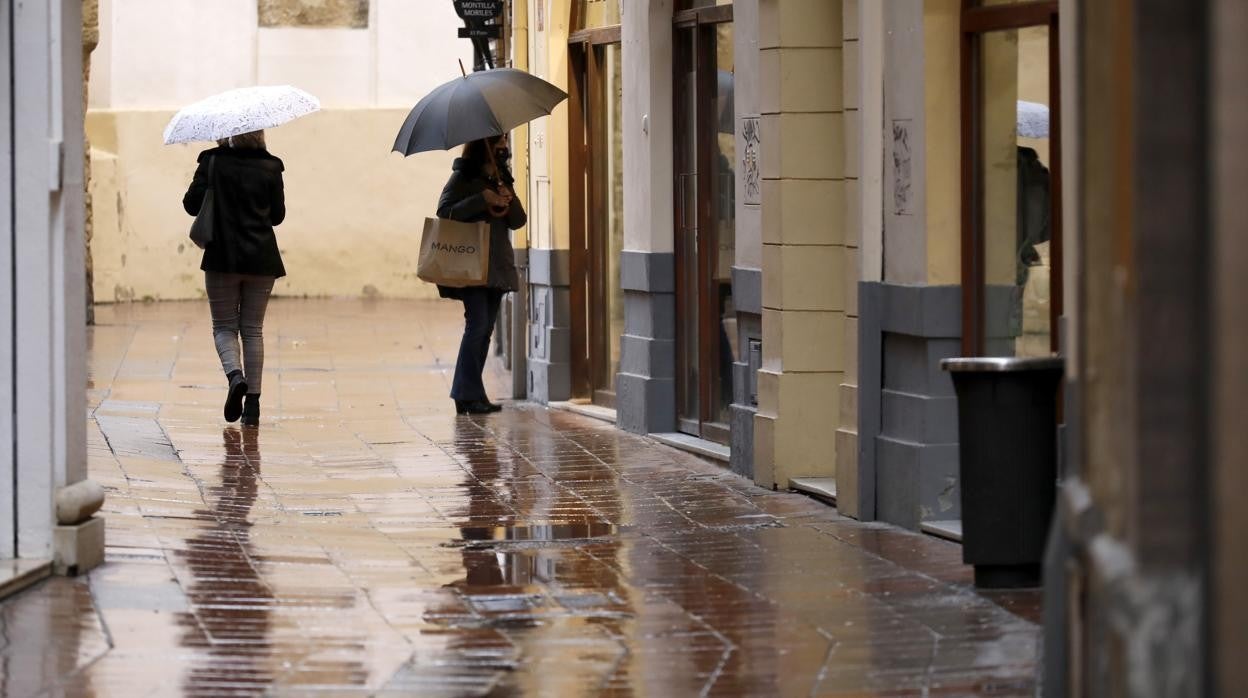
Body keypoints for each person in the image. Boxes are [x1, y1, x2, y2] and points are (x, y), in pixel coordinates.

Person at [182, 130, 286, 427]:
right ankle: (252, 405)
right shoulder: (272, 166)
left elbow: (191, 205)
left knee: (224, 326)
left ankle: (235, 376)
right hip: (262, 258)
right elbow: (277, 215)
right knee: (253, 329)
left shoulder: (212, 162)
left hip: (221, 258)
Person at [436, 135, 526, 415]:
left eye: (505, 143)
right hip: (472, 264)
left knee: (485, 330)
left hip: (497, 265)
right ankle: (465, 394)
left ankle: (470, 394)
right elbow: (444, 212)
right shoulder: (463, 176)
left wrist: (506, 200)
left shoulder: (502, 178)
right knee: (477, 326)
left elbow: (518, 220)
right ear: (484, 146)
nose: (505, 147)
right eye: (499, 142)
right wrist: (481, 199)